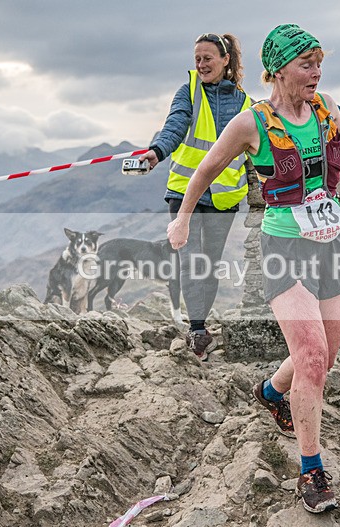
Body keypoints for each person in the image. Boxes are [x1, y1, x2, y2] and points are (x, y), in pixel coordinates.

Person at [167, 24, 340, 513]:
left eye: (319, 63)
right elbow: (206, 168)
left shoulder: (323, 107)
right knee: (309, 358)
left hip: (334, 243)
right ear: (279, 68)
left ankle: (269, 390)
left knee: (323, 356)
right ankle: (311, 471)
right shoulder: (251, 123)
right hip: (285, 248)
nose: (317, 72)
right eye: (307, 64)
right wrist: (182, 219)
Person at [139, 33, 251, 361]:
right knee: (190, 261)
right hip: (184, 190)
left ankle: (199, 325)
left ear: (226, 60)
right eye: (197, 59)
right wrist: (157, 152)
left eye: (208, 58)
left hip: (224, 196)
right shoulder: (188, 90)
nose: (201, 64)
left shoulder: (245, 101)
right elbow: (175, 125)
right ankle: (198, 330)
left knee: (209, 264)